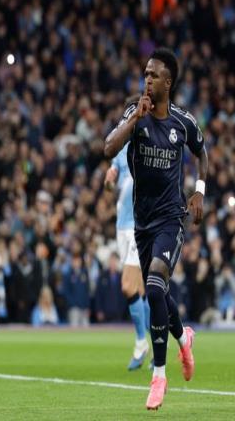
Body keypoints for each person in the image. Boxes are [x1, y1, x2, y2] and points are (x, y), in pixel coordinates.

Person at [104, 47, 208, 410]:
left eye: (154, 75)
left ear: (168, 82)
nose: (147, 79)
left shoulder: (183, 122)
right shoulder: (136, 114)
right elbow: (108, 148)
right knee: (158, 292)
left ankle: (159, 376)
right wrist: (135, 118)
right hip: (142, 222)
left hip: (171, 219)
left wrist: (199, 190)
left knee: (153, 286)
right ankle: (184, 338)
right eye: (145, 74)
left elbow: (202, 151)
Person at [104, 137, 151, 371]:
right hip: (122, 226)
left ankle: (141, 343)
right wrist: (109, 181)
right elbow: (112, 183)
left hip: (139, 225)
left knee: (127, 286)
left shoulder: (150, 146)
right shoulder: (121, 149)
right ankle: (159, 344)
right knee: (141, 290)